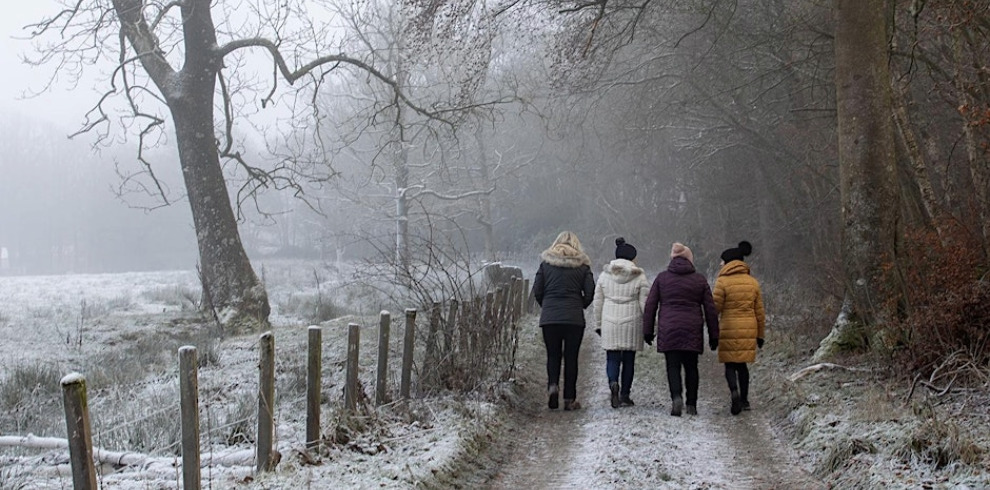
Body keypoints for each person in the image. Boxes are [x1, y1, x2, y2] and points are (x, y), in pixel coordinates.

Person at [643, 242, 719, 416]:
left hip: (669, 328)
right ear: (690, 260)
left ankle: (676, 397)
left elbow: (650, 305)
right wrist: (714, 335)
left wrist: (647, 331)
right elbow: (710, 308)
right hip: (692, 327)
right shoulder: (699, 279)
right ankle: (691, 404)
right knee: (692, 367)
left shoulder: (662, 278)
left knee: (673, 366)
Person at [532, 231, 595, 411]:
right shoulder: (583, 267)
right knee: (571, 357)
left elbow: (537, 290)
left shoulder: (545, 265)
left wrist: (547, 305)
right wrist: (580, 304)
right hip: (574, 318)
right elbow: (590, 292)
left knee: (553, 355)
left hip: (550, 317)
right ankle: (569, 399)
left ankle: (553, 386)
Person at [593, 237, 650, 408]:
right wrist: (649, 326)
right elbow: (645, 304)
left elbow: (598, 302)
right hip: (632, 321)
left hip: (609, 320)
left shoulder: (605, 275)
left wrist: (598, 324)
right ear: (632, 258)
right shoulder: (639, 276)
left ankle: (612, 382)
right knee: (629, 359)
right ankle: (625, 393)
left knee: (612, 357)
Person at [713, 241, 766, 415]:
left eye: (722, 261)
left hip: (728, 325)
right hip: (748, 327)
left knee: (729, 364)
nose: (720, 264)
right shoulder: (752, 282)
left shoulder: (722, 282)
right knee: (742, 365)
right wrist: (760, 335)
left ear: (729, 262)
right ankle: (744, 400)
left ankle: (733, 391)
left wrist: (712, 329)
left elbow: (715, 307)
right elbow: (759, 311)